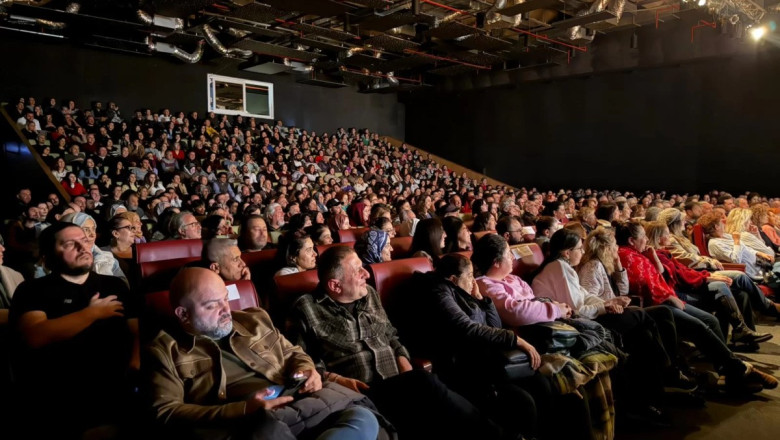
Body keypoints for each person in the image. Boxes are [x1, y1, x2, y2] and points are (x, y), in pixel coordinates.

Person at [289, 246, 504, 440]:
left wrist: (404, 361)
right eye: (357, 271)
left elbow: (391, 334)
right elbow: (304, 365)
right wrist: (337, 380)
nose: (366, 274)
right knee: (427, 386)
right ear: (335, 285)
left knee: (438, 411)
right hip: (360, 393)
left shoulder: (369, 294)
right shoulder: (306, 309)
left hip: (398, 383)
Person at [144, 268, 381, 440]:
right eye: (211, 305)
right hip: (246, 424)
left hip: (300, 401)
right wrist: (244, 409)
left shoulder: (254, 319)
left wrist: (307, 369)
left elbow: (293, 352)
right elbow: (166, 411)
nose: (226, 310)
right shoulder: (164, 350)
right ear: (183, 314)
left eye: (225, 299)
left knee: (362, 416)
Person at [397, 253, 555, 440]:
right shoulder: (438, 292)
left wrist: (482, 300)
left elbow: (494, 326)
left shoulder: (463, 292)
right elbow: (467, 328)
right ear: (454, 279)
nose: (474, 280)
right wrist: (516, 339)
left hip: (486, 357)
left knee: (542, 383)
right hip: (464, 366)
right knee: (523, 402)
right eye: (470, 275)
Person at [10, 222, 140, 438]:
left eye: (84, 240)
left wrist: (136, 364)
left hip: (117, 385)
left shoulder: (114, 285)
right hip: (60, 392)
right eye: (70, 244)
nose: (83, 247)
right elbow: (35, 335)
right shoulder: (33, 290)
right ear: (49, 255)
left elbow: (135, 330)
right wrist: (92, 314)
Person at [615, 221, 777, 393]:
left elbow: (661, 274)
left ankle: (729, 370)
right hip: (659, 304)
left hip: (670, 296)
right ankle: (738, 368)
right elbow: (642, 285)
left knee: (712, 318)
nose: (646, 239)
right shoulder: (627, 256)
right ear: (632, 241)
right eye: (643, 236)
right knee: (704, 320)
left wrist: (653, 256)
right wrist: (670, 296)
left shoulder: (639, 253)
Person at [644, 221, 770, 346]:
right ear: (659, 237)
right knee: (726, 284)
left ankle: (744, 338)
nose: (669, 236)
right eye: (667, 233)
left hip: (693, 280)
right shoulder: (657, 254)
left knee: (741, 294)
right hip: (681, 292)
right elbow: (681, 276)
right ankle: (750, 322)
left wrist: (708, 275)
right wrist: (708, 277)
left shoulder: (664, 252)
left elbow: (684, 271)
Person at [472, 234, 571, 327]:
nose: (513, 257)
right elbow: (514, 311)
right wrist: (555, 310)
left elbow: (533, 299)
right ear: (496, 262)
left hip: (542, 321)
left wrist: (554, 305)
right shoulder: (486, 285)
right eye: (508, 254)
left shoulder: (513, 278)